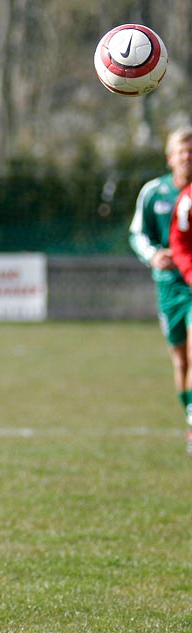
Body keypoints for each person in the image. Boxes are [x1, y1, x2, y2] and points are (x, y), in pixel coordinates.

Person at [128, 125, 192, 454]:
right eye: (181, 151)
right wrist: (154, 255)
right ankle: (190, 418)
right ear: (170, 158)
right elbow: (137, 234)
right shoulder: (154, 192)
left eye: (191, 151)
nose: (187, 157)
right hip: (168, 287)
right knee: (180, 361)